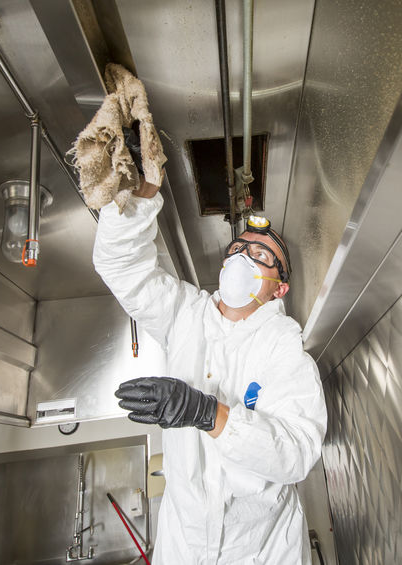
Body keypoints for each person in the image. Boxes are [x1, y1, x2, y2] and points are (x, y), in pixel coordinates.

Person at [93, 177, 327, 564]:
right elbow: (121, 267)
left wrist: (208, 413)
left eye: (261, 255)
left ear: (280, 288)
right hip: (183, 546)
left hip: (261, 549)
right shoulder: (185, 315)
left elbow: (296, 454)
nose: (243, 258)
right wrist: (139, 193)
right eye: (238, 249)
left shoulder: (286, 355)